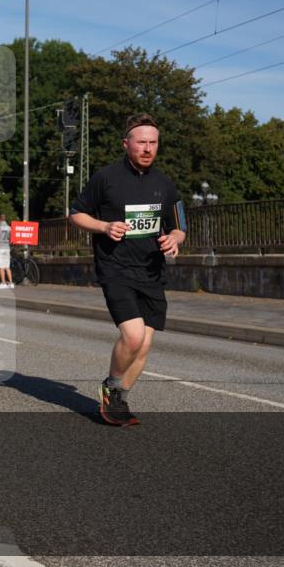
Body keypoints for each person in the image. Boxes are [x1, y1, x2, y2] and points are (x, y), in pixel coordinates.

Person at [69, 113, 186, 427]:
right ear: (126, 144)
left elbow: (181, 225)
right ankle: (111, 386)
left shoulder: (165, 183)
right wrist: (105, 226)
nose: (147, 148)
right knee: (133, 338)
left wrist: (174, 239)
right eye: (141, 142)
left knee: (145, 345)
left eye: (153, 142)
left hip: (151, 271)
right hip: (115, 268)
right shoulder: (106, 178)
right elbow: (76, 215)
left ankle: (118, 397)